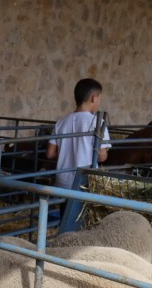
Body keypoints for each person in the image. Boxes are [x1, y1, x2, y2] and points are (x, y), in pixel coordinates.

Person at [46, 78, 110, 231]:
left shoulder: (61, 122)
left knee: (65, 221)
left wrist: (66, 155)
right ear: (94, 98)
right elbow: (102, 157)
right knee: (83, 225)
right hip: (85, 182)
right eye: (99, 98)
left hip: (63, 181)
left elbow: (49, 154)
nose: (99, 101)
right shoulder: (98, 123)